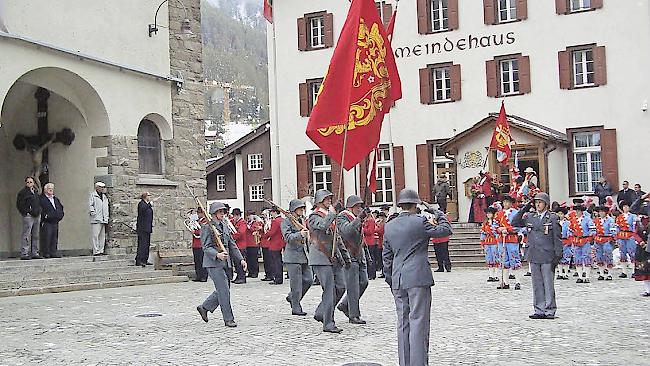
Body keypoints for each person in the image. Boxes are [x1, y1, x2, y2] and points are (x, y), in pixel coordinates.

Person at [383, 188, 452, 366]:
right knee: (418, 322)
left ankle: (405, 362)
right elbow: (445, 230)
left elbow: (387, 257)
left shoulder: (389, 225)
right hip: (417, 277)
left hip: (398, 278)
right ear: (415, 205)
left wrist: (391, 280)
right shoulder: (420, 222)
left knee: (403, 322)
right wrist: (438, 212)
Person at [511, 192, 562, 320]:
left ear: (546, 204)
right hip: (533, 253)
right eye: (536, 202)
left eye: (540, 202)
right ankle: (539, 309)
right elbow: (515, 222)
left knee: (548, 283)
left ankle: (549, 309)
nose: (538, 204)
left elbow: (557, 237)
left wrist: (558, 254)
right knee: (537, 283)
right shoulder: (530, 217)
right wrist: (525, 207)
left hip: (547, 253)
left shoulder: (552, 218)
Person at [196, 202, 247, 328]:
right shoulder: (206, 227)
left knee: (223, 290)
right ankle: (228, 319)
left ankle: (204, 307)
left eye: (223, 212)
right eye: (219, 212)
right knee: (224, 291)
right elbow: (206, 247)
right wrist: (216, 255)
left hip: (225, 262)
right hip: (213, 263)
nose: (222, 214)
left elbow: (231, 244)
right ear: (213, 214)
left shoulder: (224, 226)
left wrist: (241, 259)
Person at [309, 189, 349, 334]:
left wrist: (345, 257)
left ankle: (321, 312)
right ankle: (328, 322)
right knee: (329, 291)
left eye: (330, 198)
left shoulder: (330, 216)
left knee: (341, 286)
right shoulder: (314, 216)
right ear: (319, 201)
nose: (329, 201)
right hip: (320, 257)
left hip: (333, 257)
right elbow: (322, 226)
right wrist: (333, 214)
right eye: (327, 199)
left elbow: (336, 239)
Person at [336, 195, 369, 325]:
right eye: (357, 206)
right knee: (353, 286)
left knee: (364, 282)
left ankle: (345, 304)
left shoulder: (356, 218)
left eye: (360, 206)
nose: (359, 209)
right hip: (348, 254)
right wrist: (359, 219)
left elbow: (360, 237)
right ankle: (354, 315)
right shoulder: (342, 217)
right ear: (350, 207)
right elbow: (347, 231)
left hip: (359, 254)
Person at [281, 199, 313, 316]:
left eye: (302, 208)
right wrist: (300, 234)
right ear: (294, 210)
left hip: (304, 255)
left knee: (309, 280)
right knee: (296, 284)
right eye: (299, 208)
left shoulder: (302, 220)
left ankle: (293, 298)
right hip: (293, 256)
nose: (301, 210)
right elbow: (287, 237)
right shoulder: (286, 222)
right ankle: (296, 307)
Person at [495, 195, 523, 290]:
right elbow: (494, 226)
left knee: (514, 259)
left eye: (508, 202)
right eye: (504, 202)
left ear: (511, 203)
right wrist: (500, 229)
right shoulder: (499, 214)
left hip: (511, 239)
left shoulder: (515, 213)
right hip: (501, 239)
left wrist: (507, 229)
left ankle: (517, 281)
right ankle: (505, 282)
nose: (506, 204)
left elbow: (518, 226)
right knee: (503, 260)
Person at [568, 203, 595, 283]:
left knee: (587, 257)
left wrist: (590, 238)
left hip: (585, 240)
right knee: (577, 258)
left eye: (579, 211)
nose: (577, 212)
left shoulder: (587, 219)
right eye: (576, 211)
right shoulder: (573, 220)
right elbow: (570, 231)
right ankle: (580, 276)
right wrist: (571, 238)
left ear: (582, 211)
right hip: (576, 241)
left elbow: (592, 229)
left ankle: (587, 276)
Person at [16, 176, 42, 260]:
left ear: (34, 183)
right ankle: (24, 253)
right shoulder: (23, 193)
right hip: (28, 216)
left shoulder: (36, 192)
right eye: (28, 182)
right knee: (26, 234)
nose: (30, 184)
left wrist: (39, 210)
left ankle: (35, 252)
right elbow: (19, 205)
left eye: (31, 182)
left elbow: (39, 203)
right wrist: (26, 212)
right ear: (26, 183)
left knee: (36, 235)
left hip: (37, 215)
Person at [39, 183, 64, 258]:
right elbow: (41, 210)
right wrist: (46, 216)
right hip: (47, 222)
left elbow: (60, 208)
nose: (51, 190)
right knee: (47, 237)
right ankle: (46, 253)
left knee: (54, 237)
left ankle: (53, 252)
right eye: (49, 188)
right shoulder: (42, 199)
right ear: (45, 189)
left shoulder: (55, 199)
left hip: (55, 221)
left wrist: (60, 215)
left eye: (52, 188)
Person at [615, 201, 639, 278]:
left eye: (627, 206)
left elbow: (635, 227)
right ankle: (624, 271)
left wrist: (635, 236)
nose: (625, 208)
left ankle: (634, 271)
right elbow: (617, 228)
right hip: (621, 236)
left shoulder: (633, 216)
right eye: (624, 207)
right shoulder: (619, 217)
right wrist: (617, 238)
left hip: (630, 235)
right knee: (622, 253)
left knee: (632, 253)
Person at [593, 206, 615, 281]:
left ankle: (609, 274)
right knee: (599, 256)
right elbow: (593, 230)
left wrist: (612, 238)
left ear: (606, 212)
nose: (601, 213)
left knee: (608, 255)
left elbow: (613, 231)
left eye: (603, 211)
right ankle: (601, 273)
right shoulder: (596, 220)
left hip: (607, 239)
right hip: (598, 239)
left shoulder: (610, 220)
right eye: (600, 211)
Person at [89, 182, 109, 256]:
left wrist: (106, 217)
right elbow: (90, 205)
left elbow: (106, 207)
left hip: (103, 219)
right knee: (95, 235)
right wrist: (93, 212)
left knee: (102, 236)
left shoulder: (104, 196)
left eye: (103, 187)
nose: (102, 189)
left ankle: (101, 250)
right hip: (96, 219)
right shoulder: (93, 195)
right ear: (97, 187)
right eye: (101, 187)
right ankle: (96, 250)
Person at [266, 207, 285, 285]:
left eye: (272, 212)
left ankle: (277, 278)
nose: (271, 214)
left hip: (275, 243)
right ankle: (279, 278)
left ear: (274, 212)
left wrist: (265, 234)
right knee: (278, 261)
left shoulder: (275, 221)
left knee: (275, 262)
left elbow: (272, 232)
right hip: (281, 242)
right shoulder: (282, 220)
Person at [480, 206, 500, 282]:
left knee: (495, 257)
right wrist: (482, 243)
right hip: (487, 242)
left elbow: (497, 233)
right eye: (487, 213)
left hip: (494, 241)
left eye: (490, 213)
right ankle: (491, 275)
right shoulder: (485, 223)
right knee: (489, 258)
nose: (488, 215)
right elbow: (482, 233)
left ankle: (496, 275)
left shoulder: (496, 223)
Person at [230, 208, 248, 284]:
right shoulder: (235, 222)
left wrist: (232, 238)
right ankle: (238, 276)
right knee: (236, 262)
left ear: (237, 215)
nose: (233, 217)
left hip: (241, 245)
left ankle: (242, 277)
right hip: (236, 245)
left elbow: (241, 233)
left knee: (240, 262)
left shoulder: (242, 222)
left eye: (234, 216)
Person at [554, 206, 573, 280]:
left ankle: (566, 273)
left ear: (564, 214)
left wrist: (569, 240)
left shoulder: (568, 223)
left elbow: (571, 232)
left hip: (566, 240)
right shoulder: (555, 222)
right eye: (558, 213)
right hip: (558, 241)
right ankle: (560, 273)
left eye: (561, 214)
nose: (560, 215)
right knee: (558, 257)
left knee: (566, 256)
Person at [135, 192, 153, 267]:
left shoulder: (147, 205)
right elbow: (142, 209)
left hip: (148, 227)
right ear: (145, 196)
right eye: (149, 195)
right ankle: (139, 260)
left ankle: (145, 259)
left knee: (146, 244)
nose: (150, 197)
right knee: (142, 244)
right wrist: (149, 205)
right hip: (142, 228)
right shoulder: (141, 204)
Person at [191, 208, 208, 282]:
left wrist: (195, 231)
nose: (198, 215)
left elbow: (203, 230)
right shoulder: (197, 221)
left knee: (202, 261)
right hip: (195, 244)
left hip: (201, 244)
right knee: (197, 261)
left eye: (199, 213)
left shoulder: (205, 221)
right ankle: (198, 275)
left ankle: (204, 276)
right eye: (197, 213)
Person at [246, 210, 262, 278]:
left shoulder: (255, 222)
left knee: (254, 259)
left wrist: (249, 227)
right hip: (248, 243)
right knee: (249, 259)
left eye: (250, 215)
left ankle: (255, 272)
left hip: (253, 243)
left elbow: (255, 229)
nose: (249, 216)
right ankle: (250, 272)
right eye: (248, 215)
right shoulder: (248, 222)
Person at [362, 211, 378, 280]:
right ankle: (369, 273)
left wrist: (363, 229)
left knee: (371, 258)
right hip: (366, 241)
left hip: (370, 242)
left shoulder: (371, 221)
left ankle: (372, 274)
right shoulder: (366, 221)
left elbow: (370, 231)